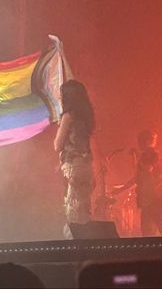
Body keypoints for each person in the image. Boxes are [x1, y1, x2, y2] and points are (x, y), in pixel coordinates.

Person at [112, 130, 162, 236]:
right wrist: (120, 189)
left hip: (156, 200)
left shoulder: (151, 154)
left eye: (140, 141)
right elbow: (138, 177)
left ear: (145, 141)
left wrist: (136, 156)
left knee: (161, 231)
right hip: (150, 201)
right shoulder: (147, 155)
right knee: (156, 232)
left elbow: (146, 170)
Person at [54, 79, 95, 235]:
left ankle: (74, 248)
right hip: (86, 166)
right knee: (84, 211)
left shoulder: (68, 117)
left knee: (72, 213)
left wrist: (59, 127)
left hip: (73, 167)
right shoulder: (86, 117)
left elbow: (57, 144)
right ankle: (86, 246)